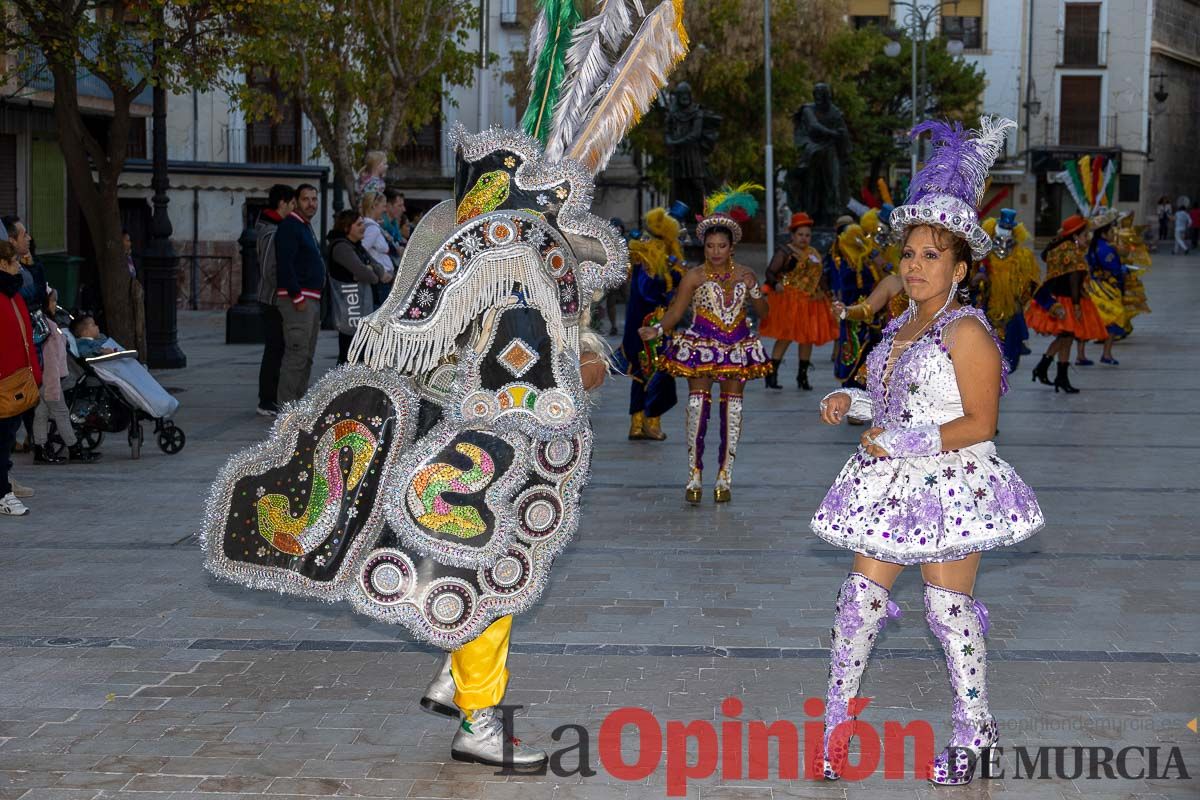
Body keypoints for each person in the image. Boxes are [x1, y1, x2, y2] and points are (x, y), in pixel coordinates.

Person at [811, 117, 1043, 787]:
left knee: (948, 613)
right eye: (908, 254)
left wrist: (899, 439)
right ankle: (835, 733)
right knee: (856, 606)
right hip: (888, 485)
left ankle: (976, 736)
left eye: (931, 256)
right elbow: (891, 404)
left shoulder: (966, 329)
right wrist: (849, 404)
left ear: (960, 266)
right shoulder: (899, 326)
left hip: (949, 485)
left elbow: (978, 423)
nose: (914, 266)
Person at [639, 185, 771, 504]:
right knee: (697, 407)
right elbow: (676, 312)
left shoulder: (745, 274)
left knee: (733, 411)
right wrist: (656, 330)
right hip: (701, 346)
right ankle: (694, 473)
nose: (715, 251)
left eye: (721, 246)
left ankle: (725, 476)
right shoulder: (694, 276)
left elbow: (765, 315)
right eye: (710, 245)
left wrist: (754, 291)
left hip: (737, 347)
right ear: (704, 246)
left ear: (731, 247)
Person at [620, 207, 687, 441]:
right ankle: (647, 423)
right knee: (654, 375)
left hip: (654, 327)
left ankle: (639, 424)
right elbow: (648, 291)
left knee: (648, 375)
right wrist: (670, 289)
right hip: (648, 328)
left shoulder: (658, 262)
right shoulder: (646, 261)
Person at [1026, 215, 1107, 393]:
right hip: (1068, 301)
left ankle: (1054, 374)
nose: (1087, 238)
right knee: (1066, 337)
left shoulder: (1058, 247)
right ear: (1076, 236)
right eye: (1085, 235)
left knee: (1066, 338)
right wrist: (1077, 307)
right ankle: (1050, 372)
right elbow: (1074, 280)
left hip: (1055, 296)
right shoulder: (1073, 252)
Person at [760, 212, 837, 391]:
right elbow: (770, 272)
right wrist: (775, 284)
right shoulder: (785, 251)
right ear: (793, 235)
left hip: (811, 301)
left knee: (807, 338)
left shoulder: (814, 253)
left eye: (807, 235)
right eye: (800, 235)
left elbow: (821, 276)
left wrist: (828, 293)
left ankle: (802, 377)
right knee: (786, 336)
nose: (804, 238)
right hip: (790, 299)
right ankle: (771, 374)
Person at [32, 290, 101, 465]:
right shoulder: (48, 328)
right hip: (51, 380)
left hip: (46, 380)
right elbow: (50, 360)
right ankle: (74, 448)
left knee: (41, 413)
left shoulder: (42, 325)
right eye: (53, 301)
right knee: (61, 413)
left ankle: (40, 449)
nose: (56, 305)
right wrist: (53, 386)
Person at [273, 183, 324, 405]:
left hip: (311, 300)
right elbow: (285, 264)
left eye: (314, 199)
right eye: (306, 199)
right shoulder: (290, 226)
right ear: (295, 201)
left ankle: (298, 403)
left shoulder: (304, 226)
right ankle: (286, 408)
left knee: (307, 357)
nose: (311, 203)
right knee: (296, 355)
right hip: (298, 302)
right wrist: (297, 297)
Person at [0, 240, 41, 516]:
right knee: (1, 441)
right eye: (15, 262)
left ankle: (4, 486)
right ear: (3, 264)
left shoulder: (14, 295)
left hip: (17, 380)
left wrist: (33, 373)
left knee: (5, 439)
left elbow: (26, 337)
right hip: (4, 380)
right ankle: (3, 493)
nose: (20, 268)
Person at [976, 209, 1040, 371]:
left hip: (1012, 310)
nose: (1004, 234)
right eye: (1002, 229)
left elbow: (1031, 283)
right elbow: (969, 280)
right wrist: (977, 280)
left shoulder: (1023, 256)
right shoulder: (983, 254)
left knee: (1011, 353)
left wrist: (1022, 295)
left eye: (1008, 229)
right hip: (987, 306)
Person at [325, 210, 389, 364]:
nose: (363, 228)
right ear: (347, 227)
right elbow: (366, 274)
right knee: (350, 353)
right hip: (350, 307)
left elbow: (375, 266)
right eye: (359, 224)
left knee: (360, 351)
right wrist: (371, 274)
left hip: (360, 305)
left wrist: (371, 270)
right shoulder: (342, 247)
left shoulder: (356, 246)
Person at [255, 184, 296, 417]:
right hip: (272, 299)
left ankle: (273, 396)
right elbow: (271, 268)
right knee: (274, 348)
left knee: (279, 347)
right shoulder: (271, 231)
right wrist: (286, 292)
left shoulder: (274, 227)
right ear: (282, 203)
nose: (293, 208)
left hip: (275, 298)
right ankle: (266, 399)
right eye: (292, 204)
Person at [358, 191, 395, 307]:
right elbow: (362, 250)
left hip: (382, 277)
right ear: (374, 206)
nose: (385, 210)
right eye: (383, 206)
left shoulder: (372, 226)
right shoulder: (372, 229)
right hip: (381, 279)